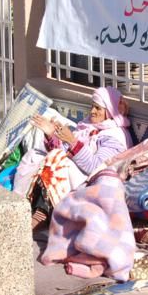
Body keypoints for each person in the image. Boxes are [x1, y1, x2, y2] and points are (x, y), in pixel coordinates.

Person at [13, 86, 133, 225]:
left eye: (98, 108)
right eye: (92, 106)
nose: (92, 111)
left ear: (110, 112)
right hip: (73, 172)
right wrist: (51, 135)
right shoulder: (86, 127)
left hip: (92, 182)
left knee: (58, 159)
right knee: (34, 155)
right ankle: (20, 203)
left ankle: (42, 213)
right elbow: (63, 150)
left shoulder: (115, 136)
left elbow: (97, 167)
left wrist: (72, 141)